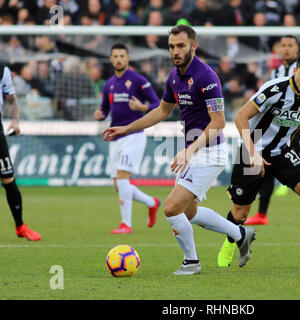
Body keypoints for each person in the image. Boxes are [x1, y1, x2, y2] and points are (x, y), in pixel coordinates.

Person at [102, 25, 255, 275]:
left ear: (193, 46)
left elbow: (218, 122)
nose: (175, 50)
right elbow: (162, 111)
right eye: (172, 46)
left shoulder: (207, 76)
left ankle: (191, 263)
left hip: (209, 152)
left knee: (171, 207)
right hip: (192, 151)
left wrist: (190, 150)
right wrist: (126, 128)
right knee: (189, 212)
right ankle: (239, 233)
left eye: (181, 45)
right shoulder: (174, 77)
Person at [217, 48, 300, 269]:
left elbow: (293, 126)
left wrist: (286, 145)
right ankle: (230, 243)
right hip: (252, 150)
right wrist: (253, 153)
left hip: (281, 152)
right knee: (241, 212)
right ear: (295, 70)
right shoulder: (274, 89)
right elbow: (240, 117)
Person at [244, 35, 300, 226]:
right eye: (284, 46)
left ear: (297, 49)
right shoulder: (277, 71)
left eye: (290, 45)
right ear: (279, 49)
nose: (286, 49)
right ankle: (262, 214)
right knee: (268, 168)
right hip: (277, 127)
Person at [94, 43, 161, 234]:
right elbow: (105, 110)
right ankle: (152, 202)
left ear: (128, 58)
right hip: (115, 137)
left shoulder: (138, 80)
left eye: (122, 56)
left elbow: (157, 104)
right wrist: (99, 114)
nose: (118, 59)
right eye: (115, 56)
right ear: (111, 59)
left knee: (123, 178)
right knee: (119, 185)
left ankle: (126, 224)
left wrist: (142, 108)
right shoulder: (109, 84)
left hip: (133, 135)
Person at [0, 63, 41, 241]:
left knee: (8, 178)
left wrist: (15, 120)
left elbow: (12, 99)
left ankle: (20, 226)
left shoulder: (2, 70)